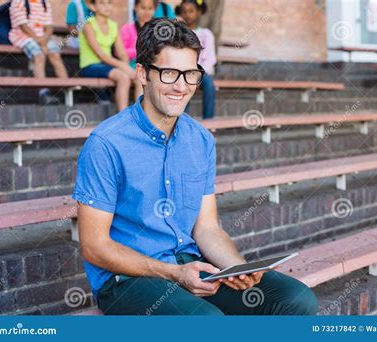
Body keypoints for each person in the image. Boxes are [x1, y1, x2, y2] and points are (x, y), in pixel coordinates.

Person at [73, 18, 318, 315]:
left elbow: (207, 228)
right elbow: (94, 246)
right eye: (169, 73)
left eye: (191, 74)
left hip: (190, 266)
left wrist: (236, 267)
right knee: (208, 323)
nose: (181, 86)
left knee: (295, 300)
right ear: (143, 73)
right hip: (128, 280)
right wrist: (173, 273)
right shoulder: (106, 143)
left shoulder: (200, 139)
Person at [79, 0, 135, 111]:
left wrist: (125, 64)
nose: (106, 6)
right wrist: (123, 67)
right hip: (89, 66)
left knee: (138, 77)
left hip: (107, 66)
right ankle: (122, 118)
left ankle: (141, 117)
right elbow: (100, 54)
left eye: (109, 2)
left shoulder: (113, 25)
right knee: (123, 77)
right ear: (93, 6)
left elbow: (122, 53)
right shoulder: (88, 25)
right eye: (102, 3)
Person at [9, 0, 68, 104]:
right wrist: (42, 44)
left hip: (43, 37)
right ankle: (43, 93)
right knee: (39, 56)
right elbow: (23, 26)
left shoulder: (44, 3)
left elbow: (49, 27)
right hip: (23, 36)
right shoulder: (18, 2)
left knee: (55, 55)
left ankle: (66, 90)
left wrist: (44, 42)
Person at [178, 0, 216, 119]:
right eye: (184, 12)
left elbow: (210, 58)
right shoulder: (179, 33)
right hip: (182, 70)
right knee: (184, 85)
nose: (187, 15)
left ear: (199, 12)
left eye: (191, 11)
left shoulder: (206, 34)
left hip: (201, 71)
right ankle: (182, 121)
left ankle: (208, 121)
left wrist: (199, 72)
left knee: (209, 85)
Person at [120, 0, 157, 100]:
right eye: (143, 8)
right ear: (135, 8)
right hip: (131, 65)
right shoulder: (127, 28)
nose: (146, 12)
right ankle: (138, 111)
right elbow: (121, 52)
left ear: (154, 10)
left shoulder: (156, 31)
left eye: (150, 8)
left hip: (150, 65)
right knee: (141, 78)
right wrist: (142, 51)